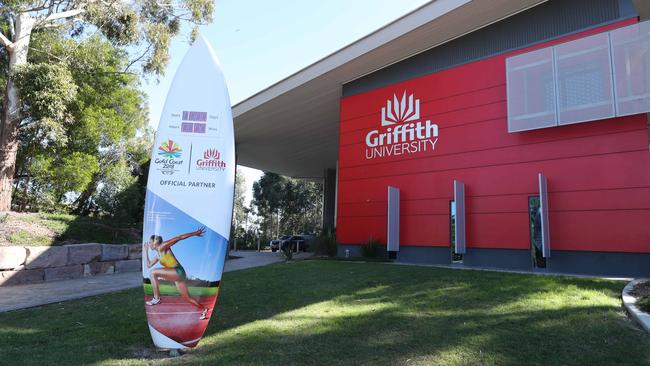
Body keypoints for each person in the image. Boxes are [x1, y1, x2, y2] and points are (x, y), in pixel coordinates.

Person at [144, 226, 208, 320]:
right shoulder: (158, 255)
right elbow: (149, 265)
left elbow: (179, 237)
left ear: (155, 241)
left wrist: (195, 233)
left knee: (153, 272)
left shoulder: (163, 246)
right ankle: (204, 309)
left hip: (178, 271)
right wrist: (145, 252)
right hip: (177, 275)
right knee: (186, 297)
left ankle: (156, 298)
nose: (149, 244)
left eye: (150, 242)